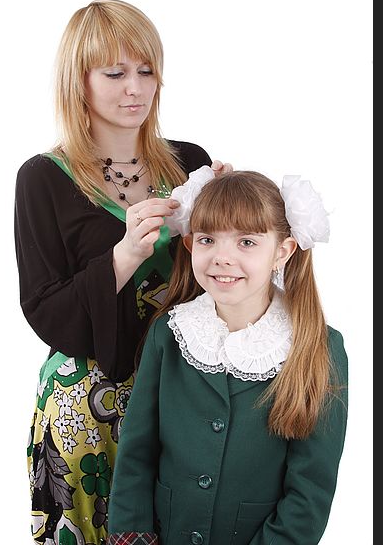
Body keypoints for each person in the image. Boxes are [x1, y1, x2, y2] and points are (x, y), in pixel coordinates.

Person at [14, 0, 231, 545]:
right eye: (115, 73)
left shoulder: (188, 161)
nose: (135, 87)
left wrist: (232, 212)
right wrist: (124, 255)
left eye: (146, 71)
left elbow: (223, 278)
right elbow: (44, 310)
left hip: (185, 392)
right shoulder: (42, 178)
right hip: (87, 408)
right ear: (78, 80)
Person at [107, 168, 348, 545]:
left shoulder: (318, 347)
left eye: (247, 242)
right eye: (208, 240)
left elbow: (310, 493)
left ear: (281, 252)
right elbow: (136, 456)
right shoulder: (169, 334)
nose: (222, 257)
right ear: (189, 245)